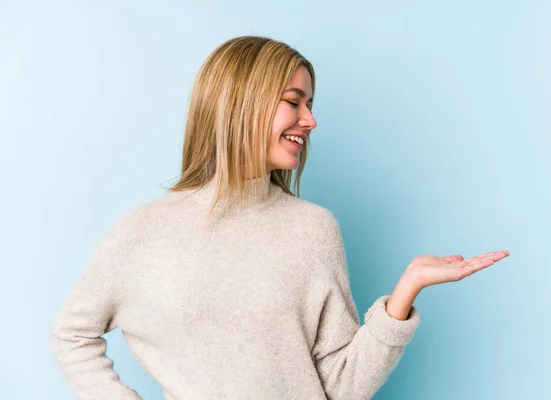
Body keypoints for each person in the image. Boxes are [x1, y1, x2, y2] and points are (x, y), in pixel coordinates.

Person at [49, 35, 510, 400]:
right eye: (295, 101)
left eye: (310, 104)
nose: (310, 121)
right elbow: (72, 332)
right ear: (240, 104)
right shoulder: (142, 232)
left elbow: (341, 386)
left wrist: (404, 294)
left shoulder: (313, 228)